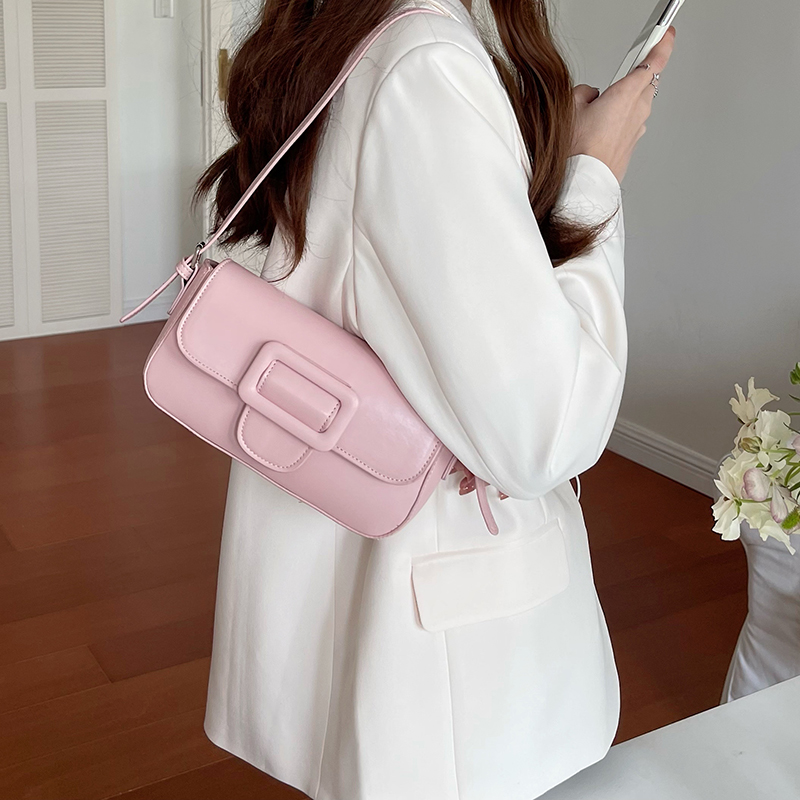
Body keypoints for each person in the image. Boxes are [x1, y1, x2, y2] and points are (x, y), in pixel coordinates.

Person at [197, 0, 676, 798]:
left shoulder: (362, 32)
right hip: (443, 660)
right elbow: (548, 431)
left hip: (374, 586)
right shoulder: (426, 64)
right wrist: (594, 175)